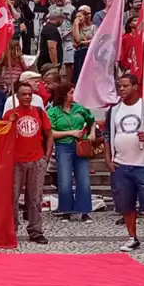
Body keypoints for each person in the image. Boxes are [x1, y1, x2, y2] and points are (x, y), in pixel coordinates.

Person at [106, 73, 144, 258]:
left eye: (125, 86)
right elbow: (108, 135)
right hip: (121, 165)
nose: (122, 89)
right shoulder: (114, 110)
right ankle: (132, 237)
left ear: (135, 87)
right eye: (119, 86)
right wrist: (108, 159)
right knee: (126, 205)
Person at [5, 82, 52, 244]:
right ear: (17, 96)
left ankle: (36, 230)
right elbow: (2, 137)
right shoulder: (10, 114)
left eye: (29, 94)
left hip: (36, 159)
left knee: (35, 198)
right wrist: (9, 123)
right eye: (23, 94)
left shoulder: (39, 112)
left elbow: (49, 134)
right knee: (13, 198)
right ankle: (11, 229)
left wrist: (46, 156)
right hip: (16, 161)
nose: (27, 97)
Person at [49, 81, 96, 223]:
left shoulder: (80, 108)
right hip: (63, 147)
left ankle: (84, 210)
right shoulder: (53, 111)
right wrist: (71, 132)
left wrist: (92, 132)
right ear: (63, 95)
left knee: (84, 180)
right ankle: (66, 210)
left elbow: (91, 120)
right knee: (64, 180)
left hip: (80, 146)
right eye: (71, 92)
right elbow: (50, 132)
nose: (73, 95)